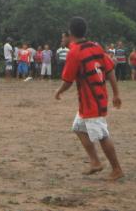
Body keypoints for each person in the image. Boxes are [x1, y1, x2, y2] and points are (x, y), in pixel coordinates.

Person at [53, 17, 123, 181]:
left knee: (102, 135)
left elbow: (68, 81)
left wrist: (58, 91)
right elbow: (110, 69)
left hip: (92, 101)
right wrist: (116, 93)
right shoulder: (96, 47)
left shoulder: (75, 52)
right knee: (78, 127)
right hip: (92, 100)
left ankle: (117, 169)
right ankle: (95, 162)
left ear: (70, 33)